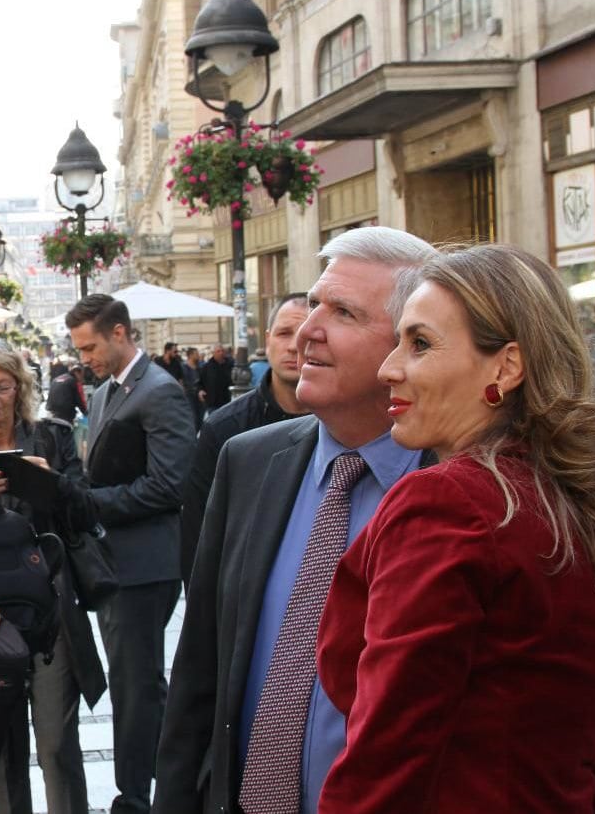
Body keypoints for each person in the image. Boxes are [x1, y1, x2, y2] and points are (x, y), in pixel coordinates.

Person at [314, 245, 595, 811]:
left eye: (420, 343)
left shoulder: (448, 504)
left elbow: (388, 751)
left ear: (505, 367)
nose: (389, 368)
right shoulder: (578, 499)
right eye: (399, 340)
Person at [155, 226, 435, 813]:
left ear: (409, 347)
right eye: (313, 304)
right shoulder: (249, 460)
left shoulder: (457, 488)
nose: (308, 331)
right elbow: (200, 668)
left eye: (344, 312)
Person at [0, 340, 107, 814]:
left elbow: (88, 511)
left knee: (57, 743)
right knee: (4, 750)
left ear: (19, 388)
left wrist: (51, 483)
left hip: (49, 607)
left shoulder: (51, 436)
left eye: (2, 386)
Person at [65, 294, 195, 814]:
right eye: (79, 349)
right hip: (116, 561)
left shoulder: (159, 391)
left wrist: (87, 503)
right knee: (135, 684)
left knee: (136, 686)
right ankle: (159, 786)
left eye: (90, 347)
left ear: (119, 333)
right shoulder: (104, 393)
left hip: (145, 565)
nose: (84, 358)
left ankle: (136, 797)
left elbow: (169, 485)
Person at [178, 294, 310, 588]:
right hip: (242, 592)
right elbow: (198, 532)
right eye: (284, 333)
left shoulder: (346, 424)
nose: (293, 346)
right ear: (268, 339)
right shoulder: (224, 428)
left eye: (304, 335)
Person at [198, 344, 234, 414]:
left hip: (228, 401)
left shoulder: (231, 365)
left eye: (222, 351)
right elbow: (200, 383)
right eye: (218, 351)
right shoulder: (207, 367)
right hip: (213, 403)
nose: (221, 353)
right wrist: (200, 391)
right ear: (213, 353)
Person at [182, 347, 203, 425]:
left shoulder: (200, 366)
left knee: (201, 417)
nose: (198, 355)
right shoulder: (183, 367)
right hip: (189, 395)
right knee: (193, 417)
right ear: (190, 355)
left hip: (199, 395)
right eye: (196, 354)